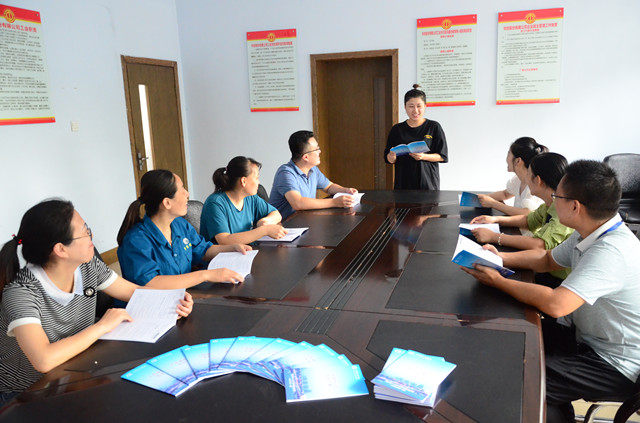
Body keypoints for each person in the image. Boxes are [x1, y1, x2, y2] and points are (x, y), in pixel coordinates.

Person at [461, 160, 640, 423]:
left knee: (515, 381)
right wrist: (499, 258)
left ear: (575, 206)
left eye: (557, 197)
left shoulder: (611, 251)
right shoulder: (591, 231)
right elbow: (547, 259)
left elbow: (557, 304)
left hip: (614, 363)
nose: (553, 202)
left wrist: (498, 281)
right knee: (505, 336)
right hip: (585, 337)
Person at [0, 199, 194, 401]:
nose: (91, 236)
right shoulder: (22, 293)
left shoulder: (86, 265)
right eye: (85, 232)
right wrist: (102, 326)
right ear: (61, 250)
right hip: (27, 393)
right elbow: (43, 360)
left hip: (75, 371)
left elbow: (133, 292)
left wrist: (174, 299)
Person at [117, 170, 251, 289]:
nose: (187, 194)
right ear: (167, 203)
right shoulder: (136, 240)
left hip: (183, 297)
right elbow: (151, 283)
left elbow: (203, 250)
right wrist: (205, 275)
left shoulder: (179, 224)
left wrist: (233, 248)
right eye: (181, 189)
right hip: (152, 305)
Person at [471, 152, 573, 255]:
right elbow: (528, 220)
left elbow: (539, 244)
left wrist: (494, 237)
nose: (526, 178)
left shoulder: (563, 210)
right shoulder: (550, 204)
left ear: (538, 180)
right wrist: (495, 219)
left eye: (528, 174)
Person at [269, 130, 358, 219]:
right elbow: (297, 203)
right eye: (317, 149)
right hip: (285, 224)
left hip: (304, 220)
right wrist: (335, 202)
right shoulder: (285, 173)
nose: (320, 151)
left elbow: (329, 187)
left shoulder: (313, 169)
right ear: (306, 157)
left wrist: (345, 190)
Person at [200, 156, 285, 244]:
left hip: (248, 250)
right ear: (243, 181)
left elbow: (276, 214)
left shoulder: (250, 197)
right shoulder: (215, 203)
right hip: (227, 252)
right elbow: (224, 240)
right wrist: (264, 230)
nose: (258, 182)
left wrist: (265, 222)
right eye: (256, 178)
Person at [384, 84, 448, 190]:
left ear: (425, 106)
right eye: (411, 106)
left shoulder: (433, 127)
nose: (415, 111)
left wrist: (423, 157)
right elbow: (389, 159)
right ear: (405, 107)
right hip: (403, 183)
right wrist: (392, 156)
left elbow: (442, 156)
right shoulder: (397, 129)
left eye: (419, 106)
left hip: (428, 183)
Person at [476, 137, 546, 216]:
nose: (506, 159)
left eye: (509, 154)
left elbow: (527, 214)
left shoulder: (533, 184)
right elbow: (505, 194)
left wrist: (493, 204)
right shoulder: (518, 180)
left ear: (518, 161)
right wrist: (480, 198)